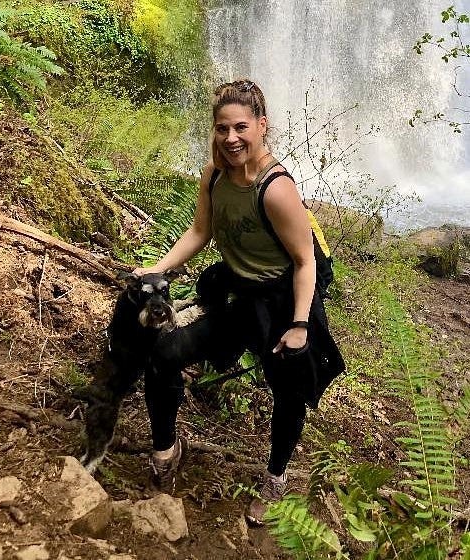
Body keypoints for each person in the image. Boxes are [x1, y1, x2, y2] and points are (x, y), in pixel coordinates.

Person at [133, 79, 345, 525]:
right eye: (222, 128)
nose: (231, 138)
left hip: (283, 301)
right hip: (238, 294)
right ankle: (166, 450)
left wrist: (300, 325)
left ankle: (276, 478)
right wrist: (157, 268)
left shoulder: (276, 189)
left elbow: (305, 261)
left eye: (241, 127)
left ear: (262, 126)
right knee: (166, 353)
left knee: (287, 391)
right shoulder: (213, 176)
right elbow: (199, 232)